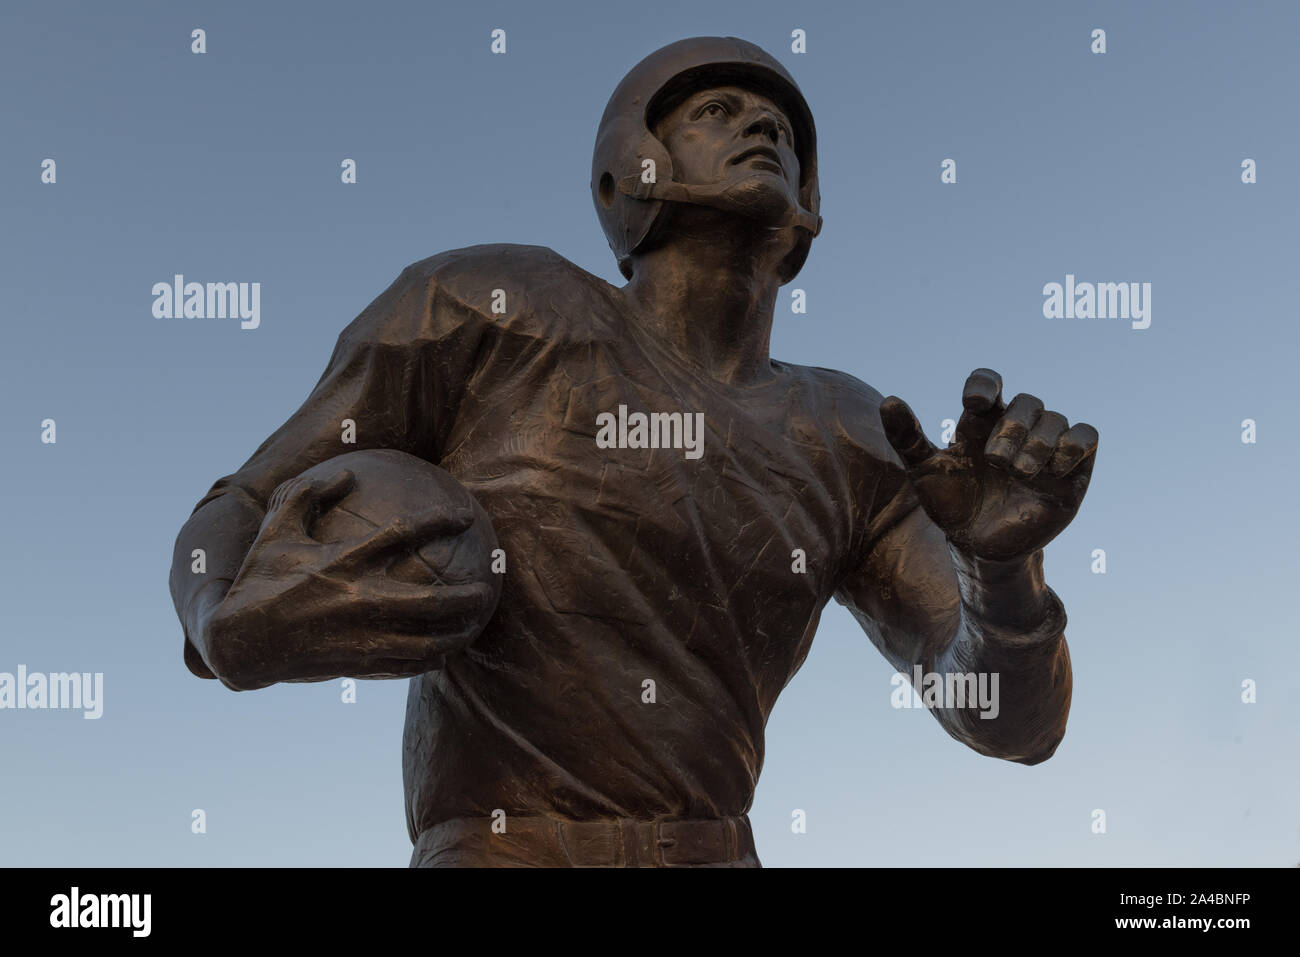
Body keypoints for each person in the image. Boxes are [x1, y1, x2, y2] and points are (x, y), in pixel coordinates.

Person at [168, 37, 1097, 867]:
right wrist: (217, 614)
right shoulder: (493, 307)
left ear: (809, 206)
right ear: (633, 164)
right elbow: (244, 500)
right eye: (717, 112)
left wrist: (1001, 572)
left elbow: (1012, 723)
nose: (763, 128)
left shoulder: (847, 429)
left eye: (780, 125)